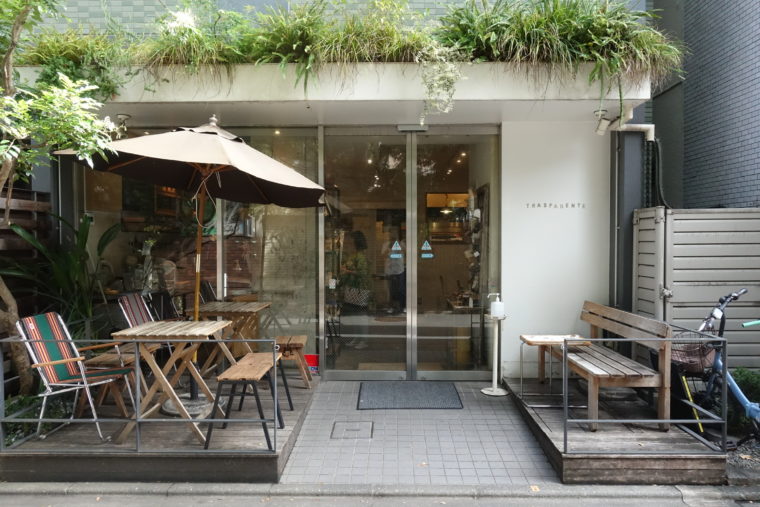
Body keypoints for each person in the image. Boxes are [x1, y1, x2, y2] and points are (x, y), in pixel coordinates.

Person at [382, 230, 406, 314]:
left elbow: (406, 253)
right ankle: (391, 307)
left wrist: (400, 247)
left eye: (394, 237)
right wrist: (389, 248)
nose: (392, 238)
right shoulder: (386, 244)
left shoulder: (401, 244)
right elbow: (383, 255)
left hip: (399, 270)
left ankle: (402, 307)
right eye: (391, 236)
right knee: (390, 290)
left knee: (401, 289)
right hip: (389, 270)